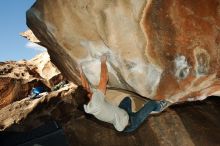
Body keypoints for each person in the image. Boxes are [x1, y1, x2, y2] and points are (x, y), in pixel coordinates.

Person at [76, 55, 171, 133]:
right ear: (88, 96)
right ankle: (159, 107)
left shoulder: (88, 106)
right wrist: (103, 61)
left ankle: (141, 109)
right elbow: (104, 79)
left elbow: (86, 87)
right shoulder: (96, 102)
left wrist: (80, 71)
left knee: (127, 99)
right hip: (129, 122)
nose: (89, 90)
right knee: (152, 103)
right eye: (88, 92)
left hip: (122, 112)